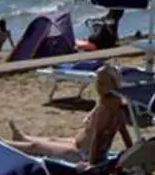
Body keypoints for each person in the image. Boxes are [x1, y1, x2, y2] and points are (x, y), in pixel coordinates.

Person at [7, 66, 135, 164]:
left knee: (36, 147)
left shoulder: (107, 108)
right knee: (52, 140)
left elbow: (98, 137)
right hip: (77, 144)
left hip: (81, 154)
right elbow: (123, 130)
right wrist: (132, 150)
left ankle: (4, 144)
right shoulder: (110, 100)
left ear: (114, 84)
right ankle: (21, 138)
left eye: (102, 83)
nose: (98, 87)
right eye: (97, 82)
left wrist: (91, 164)